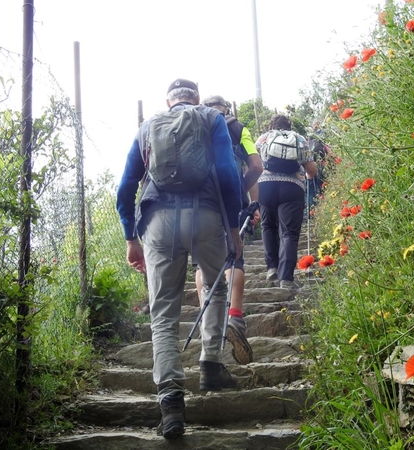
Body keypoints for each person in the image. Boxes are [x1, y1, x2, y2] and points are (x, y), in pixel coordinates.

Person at [116, 79, 244, 439]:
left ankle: (171, 401)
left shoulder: (147, 128)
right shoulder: (210, 119)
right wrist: (233, 228)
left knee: (163, 312)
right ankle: (210, 366)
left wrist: (130, 237)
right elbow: (227, 173)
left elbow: (126, 186)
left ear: (168, 101)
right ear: (197, 99)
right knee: (216, 289)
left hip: (159, 222)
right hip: (205, 217)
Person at [194, 94, 263, 365]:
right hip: (229, 200)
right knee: (234, 257)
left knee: (202, 263)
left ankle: (207, 317)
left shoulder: (192, 124)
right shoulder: (237, 127)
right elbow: (257, 165)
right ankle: (234, 317)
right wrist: (244, 194)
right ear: (226, 108)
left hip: (198, 202)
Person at [255, 114, 317, 290]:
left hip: (265, 186)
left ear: (270, 126)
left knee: (268, 226)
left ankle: (272, 267)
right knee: (289, 233)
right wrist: (305, 176)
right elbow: (311, 169)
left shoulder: (263, 138)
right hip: (292, 187)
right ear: (289, 126)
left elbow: (253, 164)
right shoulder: (299, 139)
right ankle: (286, 278)